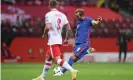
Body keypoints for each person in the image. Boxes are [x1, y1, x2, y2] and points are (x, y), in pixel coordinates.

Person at [32, 0, 78, 80]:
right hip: (58, 39)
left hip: (52, 40)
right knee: (48, 58)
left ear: (49, 6)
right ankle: (42, 77)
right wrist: (66, 38)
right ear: (57, 6)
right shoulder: (62, 15)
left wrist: (44, 34)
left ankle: (72, 70)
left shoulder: (48, 15)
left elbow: (48, 27)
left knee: (57, 60)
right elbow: (69, 28)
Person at [54, 8, 102, 76]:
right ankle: (87, 52)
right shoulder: (78, 22)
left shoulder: (88, 20)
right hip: (77, 43)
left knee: (72, 57)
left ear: (81, 15)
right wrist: (74, 42)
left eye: (77, 16)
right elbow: (77, 32)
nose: (76, 17)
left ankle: (61, 72)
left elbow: (95, 22)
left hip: (84, 43)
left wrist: (98, 21)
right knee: (74, 60)